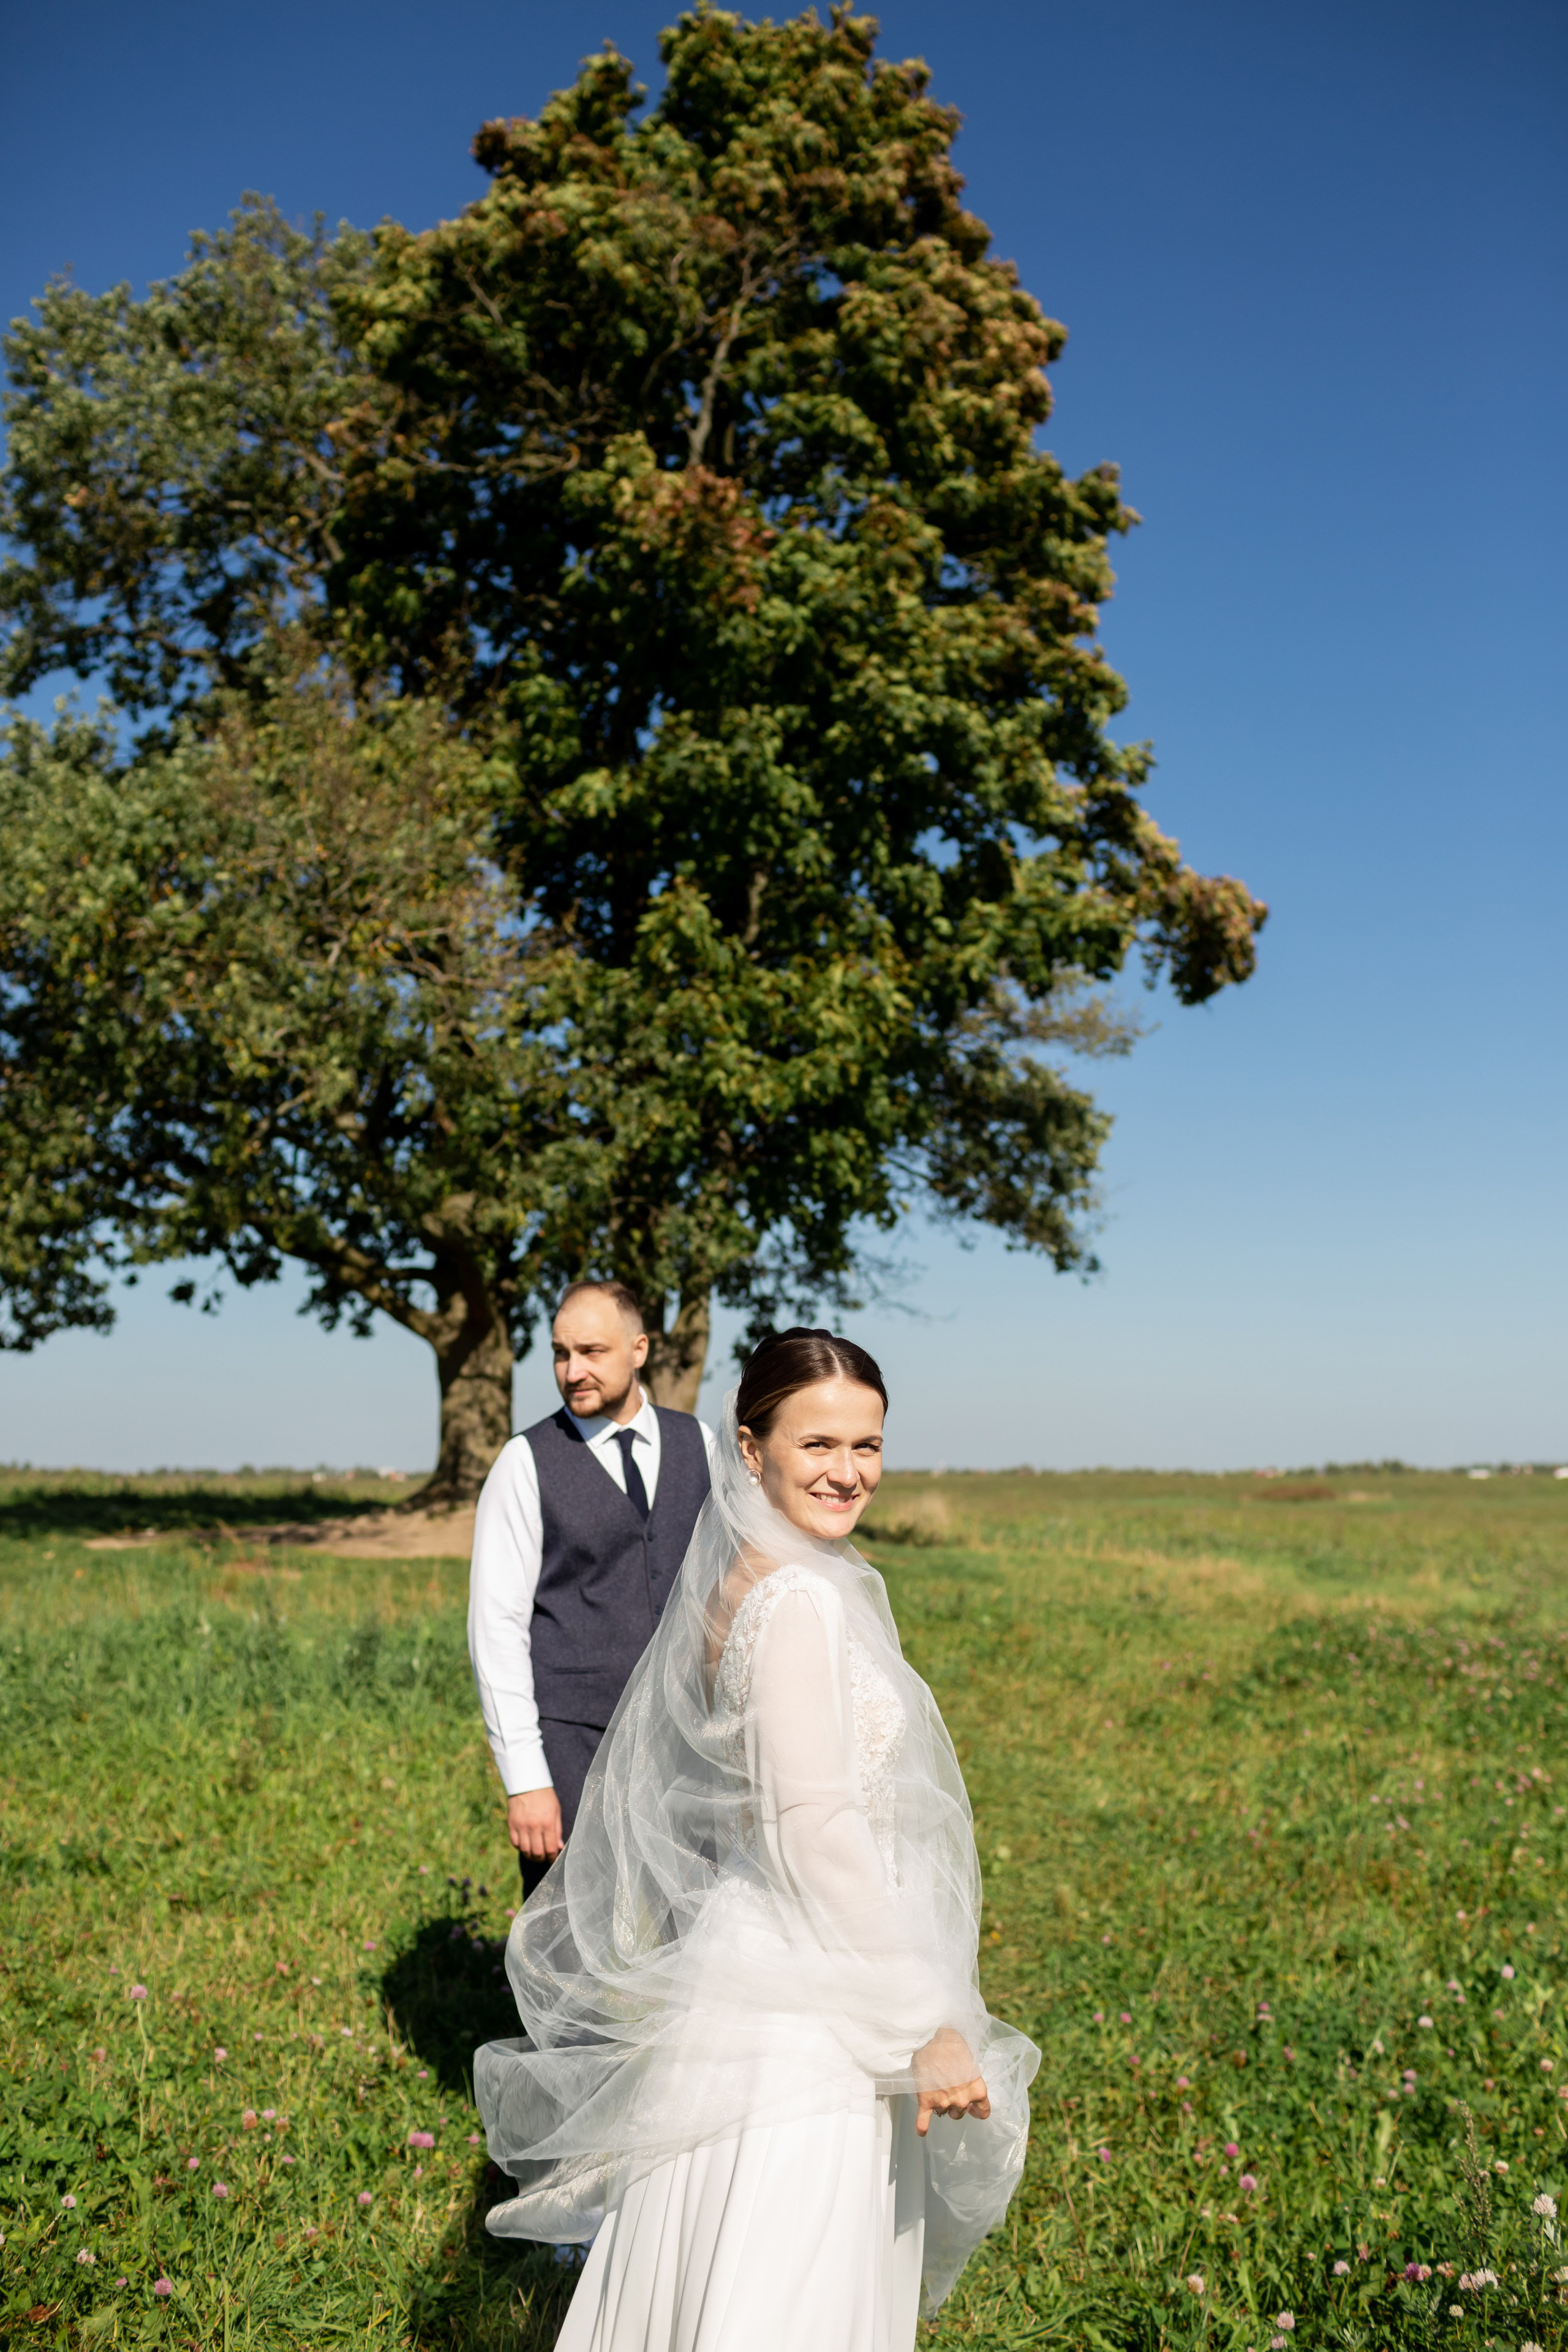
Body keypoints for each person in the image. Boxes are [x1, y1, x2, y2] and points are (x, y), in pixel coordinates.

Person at [475, 1328, 1039, 2351]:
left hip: (747, 1966)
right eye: (817, 1444)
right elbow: (811, 1826)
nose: (847, 1471)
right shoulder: (795, 1601)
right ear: (750, 1449)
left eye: (867, 1445)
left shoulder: (748, 1577)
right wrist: (920, 2019)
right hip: (810, 2007)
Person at [467, 1280, 717, 1896]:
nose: (572, 1371)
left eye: (591, 1352)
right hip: (572, 1744)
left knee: (698, 1922)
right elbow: (495, 1629)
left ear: (639, 1350)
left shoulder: (701, 1444)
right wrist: (527, 1779)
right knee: (568, 1935)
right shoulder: (525, 1462)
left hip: (685, 1739)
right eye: (560, 1353)